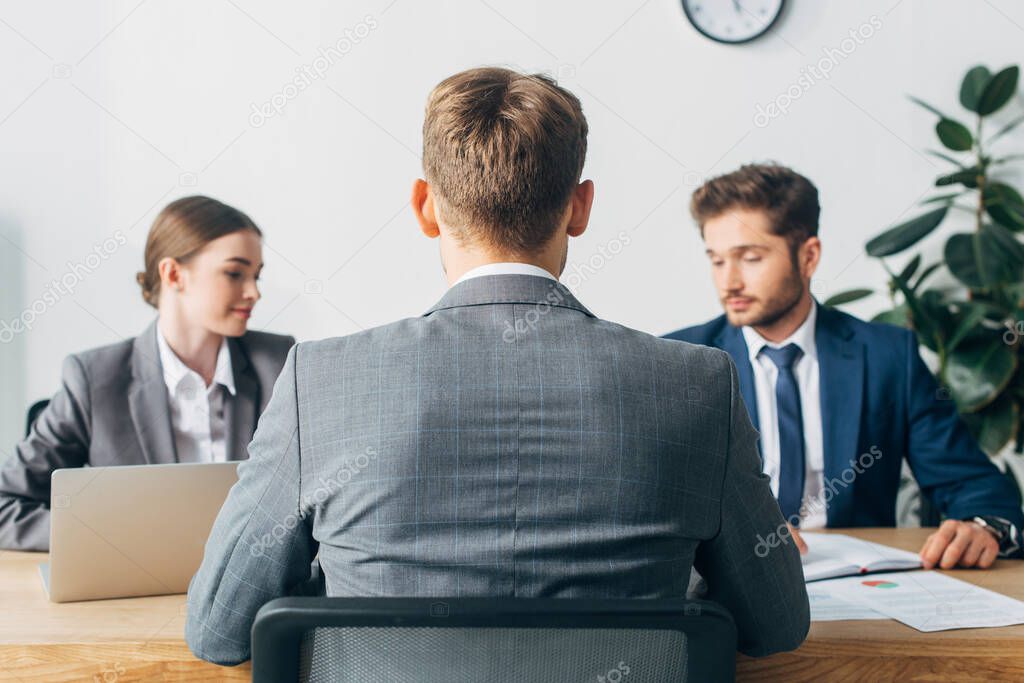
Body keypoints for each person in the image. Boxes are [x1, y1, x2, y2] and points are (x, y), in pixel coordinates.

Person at [185, 67, 809, 667]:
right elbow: (776, 623)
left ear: (425, 206)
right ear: (581, 207)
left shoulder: (318, 380)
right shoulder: (697, 383)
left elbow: (220, 629)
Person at [664, 163, 1024, 569]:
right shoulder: (681, 359)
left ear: (808, 256)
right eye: (716, 261)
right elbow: (651, 495)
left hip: (860, 584)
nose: (729, 282)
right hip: (731, 582)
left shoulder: (889, 356)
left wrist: (981, 526)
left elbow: (974, 485)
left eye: (750, 258)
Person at [0, 195, 295, 551]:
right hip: (136, 593)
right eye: (235, 273)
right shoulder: (94, 379)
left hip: (251, 589)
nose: (254, 292)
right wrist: (108, 538)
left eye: (256, 276)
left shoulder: (280, 364)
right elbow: (6, 505)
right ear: (173, 274)